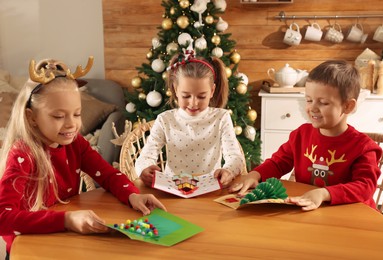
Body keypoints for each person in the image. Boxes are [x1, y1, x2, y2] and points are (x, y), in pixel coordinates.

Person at [0, 57, 167, 258]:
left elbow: (108, 175)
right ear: (31, 117)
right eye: (59, 116)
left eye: (77, 114)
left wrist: (132, 195)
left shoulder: (76, 143)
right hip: (30, 249)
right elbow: (3, 218)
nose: (71, 125)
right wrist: (67, 220)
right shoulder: (22, 155)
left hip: (62, 240)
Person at [230, 60, 382, 211]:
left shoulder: (364, 147)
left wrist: (325, 193)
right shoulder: (301, 135)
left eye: (323, 102)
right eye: (309, 100)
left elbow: (365, 186)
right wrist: (255, 174)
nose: (312, 108)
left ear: (348, 106)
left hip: (352, 217)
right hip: (310, 211)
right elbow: (278, 163)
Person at [135, 49, 245, 187]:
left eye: (201, 96)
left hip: (209, 189)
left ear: (212, 91)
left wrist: (229, 171)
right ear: (175, 89)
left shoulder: (221, 118)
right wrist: (144, 168)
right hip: (173, 189)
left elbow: (235, 157)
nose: (193, 103)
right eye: (186, 96)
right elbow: (146, 156)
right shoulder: (165, 120)